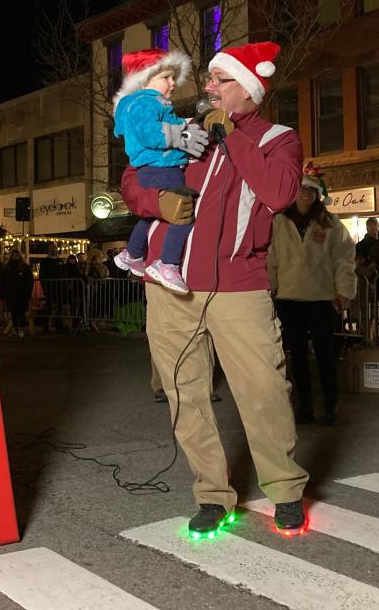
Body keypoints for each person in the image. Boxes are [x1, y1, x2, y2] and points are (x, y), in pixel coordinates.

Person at [122, 40, 309, 537]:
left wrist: (229, 136)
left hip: (239, 288)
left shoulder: (277, 138)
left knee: (264, 391)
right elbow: (132, 177)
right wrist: (153, 203)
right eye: (207, 78)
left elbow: (280, 192)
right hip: (169, 286)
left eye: (219, 80)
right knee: (186, 394)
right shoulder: (181, 131)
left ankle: (285, 489)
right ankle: (211, 493)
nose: (206, 86)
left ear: (248, 89)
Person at [111, 48, 209, 294]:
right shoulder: (147, 102)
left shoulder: (141, 104)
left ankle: (132, 254)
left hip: (151, 168)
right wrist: (182, 135)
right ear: (146, 78)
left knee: (152, 215)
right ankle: (167, 263)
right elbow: (151, 133)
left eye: (173, 77)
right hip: (162, 166)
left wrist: (184, 125)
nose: (173, 83)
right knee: (183, 212)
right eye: (166, 77)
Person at [268, 163, 356, 426]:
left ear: (317, 194)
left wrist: (344, 292)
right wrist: (269, 290)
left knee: (326, 354)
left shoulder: (331, 223)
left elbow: (343, 259)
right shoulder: (278, 221)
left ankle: (330, 406)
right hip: (289, 298)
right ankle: (304, 407)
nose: (305, 194)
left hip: (322, 299)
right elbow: (271, 259)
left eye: (310, 190)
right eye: (301, 189)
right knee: (297, 356)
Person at [0, 250, 34, 338]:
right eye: (14, 255)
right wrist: (2, 293)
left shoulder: (24, 267)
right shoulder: (7, 268)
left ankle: (21, 328)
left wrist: (28, 292)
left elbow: (29, 280)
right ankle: (15, 328)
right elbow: (3, 281)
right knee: (13, 312)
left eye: (16, 255)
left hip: (21, 293)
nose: (15, 257)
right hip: (11, 293)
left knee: (21, 311)